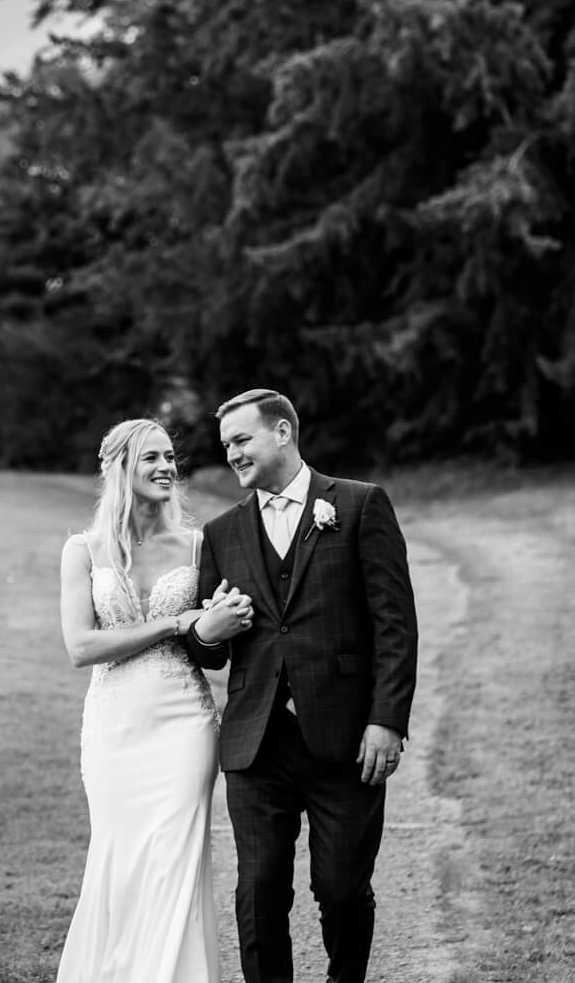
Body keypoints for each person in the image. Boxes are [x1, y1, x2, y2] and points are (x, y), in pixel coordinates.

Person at [184, 389, 417, 983]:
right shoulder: (221, 533)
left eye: (242, 440)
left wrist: (386, 719)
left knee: (341, 889)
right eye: (226, 445)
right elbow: (209, 650)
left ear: (282, 432)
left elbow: (395, 624)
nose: (232, 454)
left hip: (346, 740)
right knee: (259, 893)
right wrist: (209, 632)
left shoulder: (360, 506)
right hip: (256, 743)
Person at [56, 418, 256, 983]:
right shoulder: (82, 550)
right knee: (119, 864)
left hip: (182, 726)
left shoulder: (199, 544)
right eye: (151, 458)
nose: (168, 467)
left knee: (174, 866)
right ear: (119, 467)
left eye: (170, 457)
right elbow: (81, 647)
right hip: (113, 728)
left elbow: (218, 630)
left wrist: (215, 625)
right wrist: (175, 621)